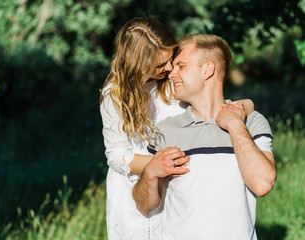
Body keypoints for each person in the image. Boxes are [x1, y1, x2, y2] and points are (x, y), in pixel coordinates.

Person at [100, 17, 255, 240]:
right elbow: (116, 155)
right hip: (134, 189)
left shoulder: (172, 84)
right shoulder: (114, 95)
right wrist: (157, 163)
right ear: (138, 64)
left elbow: (213, 106)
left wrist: (244, 106)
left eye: (171, 58)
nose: (170, 67)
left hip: (174, 185)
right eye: (160, 65)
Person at [132, 34, 277, 239]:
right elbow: (144, 206)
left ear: (207, 70)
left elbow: (262, 184)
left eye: (181, 66)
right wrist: (150, 173)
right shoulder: (166, 130)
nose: (171, 73)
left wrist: (235, 125)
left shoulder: (251, 122)